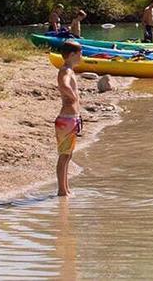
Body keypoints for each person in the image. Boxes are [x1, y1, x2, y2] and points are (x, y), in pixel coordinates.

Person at [55, 41, 84, 196]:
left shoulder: (69, 70)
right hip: (66, 119)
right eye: (80, 54)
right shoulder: (65, 70)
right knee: (64, 155)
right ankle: (61, 190)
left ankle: (65, 189)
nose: (82, 57)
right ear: (72, 55)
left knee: (68, 155)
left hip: (71, 118)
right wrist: (73, 97)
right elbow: (64, 85)